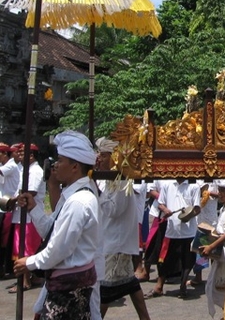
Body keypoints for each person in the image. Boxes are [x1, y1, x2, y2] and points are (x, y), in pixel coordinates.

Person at [14, 131, 99, 319]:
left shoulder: (79, 201)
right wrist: (34, 208)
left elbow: (59, 249)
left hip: (70, 289)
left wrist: (29, 262)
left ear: (75, 166)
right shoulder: (69, 196)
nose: (55, 166)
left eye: (60, 161)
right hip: (61, 282)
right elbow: (50, 231)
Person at [95, 137, 151, 320]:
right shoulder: (110, 179)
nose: (99, 159)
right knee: (131, 285)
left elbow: (113, 210)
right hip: (112, 241)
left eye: (103, 156)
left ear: (113, 158)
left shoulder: (120, 181)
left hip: (115, 244)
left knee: (105, 291)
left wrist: (96, 192)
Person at [145, 177, 200, 299]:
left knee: (187, 260)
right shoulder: (167, 185)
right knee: (164, 259)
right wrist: (165, 210)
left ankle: (183, 286)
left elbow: (197, 208)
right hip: (171, 230)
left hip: (188, 231)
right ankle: (159, 286)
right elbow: (160, 203)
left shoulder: (193, 186)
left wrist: (188, 214)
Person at [10, 143, 45, 292]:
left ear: (31, 155)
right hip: (21, 214)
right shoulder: (24, 168)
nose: (19, 155)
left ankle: (24, 281)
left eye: (22, 152)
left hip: (30, 215)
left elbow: (32, 191)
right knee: (22, 247)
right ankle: (31, 277)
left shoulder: (36, 170)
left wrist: (14, 199)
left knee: (25, 248)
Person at [203, 179, 225, 318]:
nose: (220, 194)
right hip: (221, 255)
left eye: (223, 191)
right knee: (216, 287)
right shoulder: (224, 207)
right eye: (219, 190)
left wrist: (212, 246)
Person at [0, 143, 20, 278]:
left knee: (4, 240)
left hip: (6, 207)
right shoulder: (4, 166)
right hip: (2, 206)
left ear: (4, 154)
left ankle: (4, 268)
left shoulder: (11, 166)